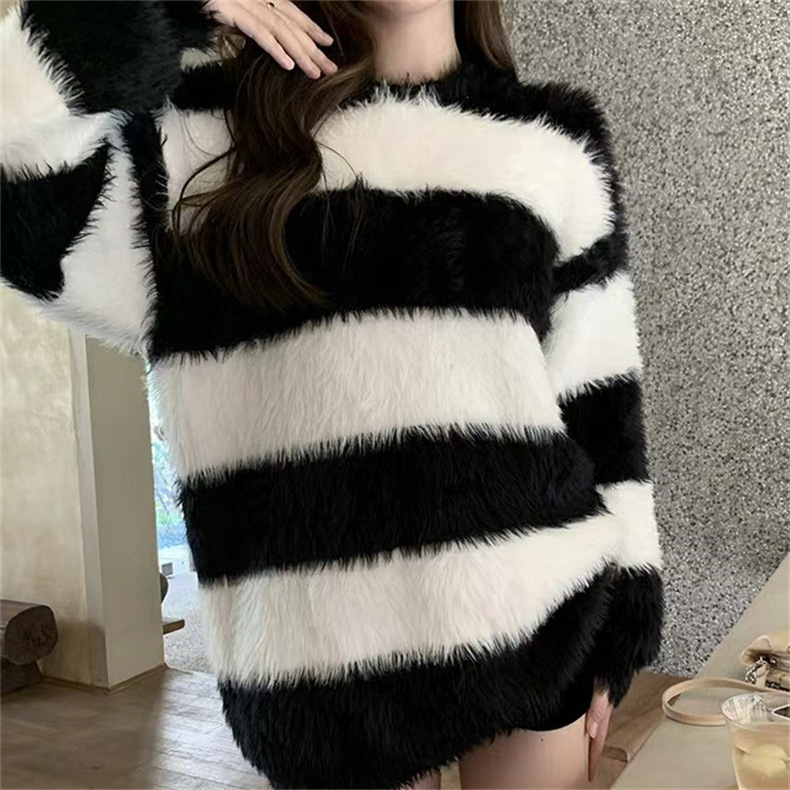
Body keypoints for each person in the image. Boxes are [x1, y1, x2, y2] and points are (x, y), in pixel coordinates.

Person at [0, 0, 665, 787]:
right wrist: (163, 9)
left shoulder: (551, 139)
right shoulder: (196, 140)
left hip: (540, 616)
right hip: (322, 671)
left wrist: (622, 627)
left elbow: (600, 402)